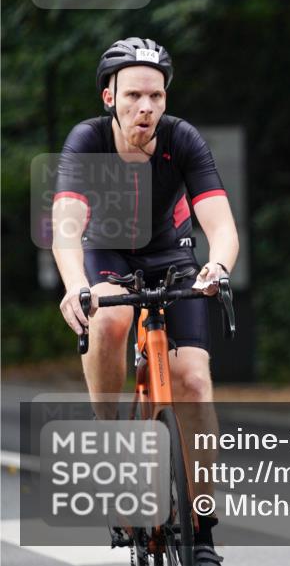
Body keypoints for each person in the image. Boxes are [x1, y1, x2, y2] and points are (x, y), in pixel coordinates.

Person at [52, 37, 239, 564]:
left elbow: (221, 226)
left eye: (156, 96)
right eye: (133, 95)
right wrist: (75, 285)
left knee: (195, 382)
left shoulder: (182, 139)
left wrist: (217, 267)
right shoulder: (87, 140)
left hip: (171, 254)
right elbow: (66, 228)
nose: (146, 107)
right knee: (109, 321)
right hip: (107, 253)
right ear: (109, 97)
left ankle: (201, 530)